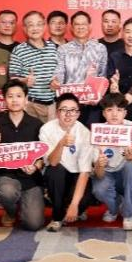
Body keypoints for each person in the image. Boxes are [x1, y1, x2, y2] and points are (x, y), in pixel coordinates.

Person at [0, 81, 46, 231]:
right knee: (6, 192)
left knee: (33, 224)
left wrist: (36, 166)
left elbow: (43, 156)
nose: (14, 100)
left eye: (19, 96)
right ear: (4, 99)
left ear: (26, 99)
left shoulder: (37, 124)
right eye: (10, 96)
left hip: (31, 178)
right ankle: (11, 211)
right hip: (7, 176)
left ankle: (24, 205)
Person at [89, 93, 132, 230]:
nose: (114, 114)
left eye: (119, 110)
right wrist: (99, 164)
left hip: (128, 173)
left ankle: (129, 214)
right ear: (104, 113)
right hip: (108, 172)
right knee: (99, 190)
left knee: (131, 167)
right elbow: (98, 174)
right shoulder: (98, 133)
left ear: (125, 113)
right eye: (110, 110)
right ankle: (114, 207)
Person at [41, 93, 97, 231]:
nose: (68, 114)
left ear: (78, 114)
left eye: (73, 110)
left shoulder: (84, 133)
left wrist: (74, 205)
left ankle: (72, 208)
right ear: (57, 112)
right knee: (55, 171)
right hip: (57, 173)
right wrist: (61, 143)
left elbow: (84, 172)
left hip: (77, 176)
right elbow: (52, 162)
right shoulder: (46, 129)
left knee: (82, 200)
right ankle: (57, 217)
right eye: (64, 110)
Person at [52, 11, 108, 125]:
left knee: (89, 134)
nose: (80, 27)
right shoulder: (63, 49)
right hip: (70, 105)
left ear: (90, 26)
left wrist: (98, 95)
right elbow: (59, 74)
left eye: (83, 24)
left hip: (93, 105)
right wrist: (56, 82)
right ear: (72, 28)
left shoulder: (100, 48)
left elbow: (103, 76)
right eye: (77, 24)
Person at [9, 10, 59, 121]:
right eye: (31, 25)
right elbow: (13, 79)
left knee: (51, 132)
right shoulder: (18, 50)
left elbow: (59, 72)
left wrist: (56, 82)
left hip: (53, 104)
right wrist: (25, 80)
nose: (35, 28)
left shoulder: (53, 47)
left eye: (39, 24)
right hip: (30, 105)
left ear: (44, 26)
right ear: (24, 28)